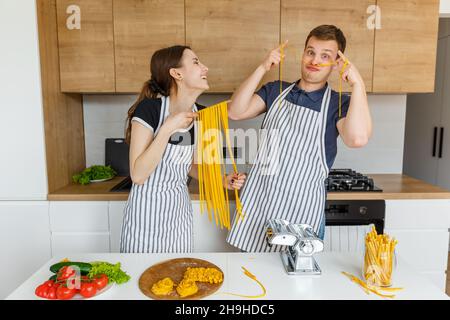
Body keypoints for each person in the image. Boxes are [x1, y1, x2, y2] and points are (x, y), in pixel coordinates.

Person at [226, 25, 372, 252]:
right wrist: (263, 67)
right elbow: (235, 112)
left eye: (325, 56)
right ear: (303, 54)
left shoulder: (337, 103)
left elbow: (357, 139)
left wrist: (358, 84)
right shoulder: (276, 91)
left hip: (300, 214)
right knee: (250, 281)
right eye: (310, 52)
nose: (315, 60)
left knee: (294, 281)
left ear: (336, 64)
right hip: (258, 206)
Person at [120, 45, 246, 253]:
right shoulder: (150, 110)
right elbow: (138, 174)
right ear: (176, 73)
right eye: (196, 62)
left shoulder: (202, 115)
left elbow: (190, 166)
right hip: (145, 218)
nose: (205, 68)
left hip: (178, 217)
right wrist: (168, 127)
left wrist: (222, 180)